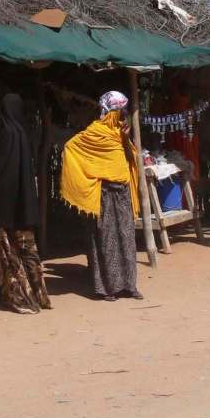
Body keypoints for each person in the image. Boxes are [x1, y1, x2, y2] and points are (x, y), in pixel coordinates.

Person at [60, 91, 143, 301]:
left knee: (126, 237)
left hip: (122, 192)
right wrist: (91, 175)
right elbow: (71, 147)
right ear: (109, 111)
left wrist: (126, 136)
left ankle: (129, 285)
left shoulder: (121, 131)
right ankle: (108, 288)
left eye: (124, 109)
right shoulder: (94, 132)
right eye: (118, 109)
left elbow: (128, 156)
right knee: (105, 239)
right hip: (104, 194)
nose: (122, 113)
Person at [0, 94, 51, 314]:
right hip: (25, 205)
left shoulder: (5, 133)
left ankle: (19, 297)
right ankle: (40, 297)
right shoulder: (23, 133)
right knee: (29, 251)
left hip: (6, 207)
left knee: (8, 252)